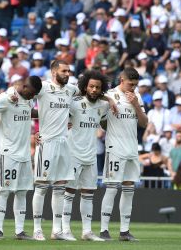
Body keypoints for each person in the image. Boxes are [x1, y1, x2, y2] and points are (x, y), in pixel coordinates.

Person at [30, 60, 80, 241]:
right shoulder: (42, 87)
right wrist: (32, 131)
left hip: (63, 143)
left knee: (60, 188)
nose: (68, 74)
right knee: (42, 187)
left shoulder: (71, 90)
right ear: (53, 72)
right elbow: (22, 98)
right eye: (64, 71)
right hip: (47, 142)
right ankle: (37, 229)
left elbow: (92, 93)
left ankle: (57, 230)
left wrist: (111, 99)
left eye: (69, 71)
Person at [0, 76, 42, 240]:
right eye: (31, 93)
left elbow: (28, 112)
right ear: (25, 87)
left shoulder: (27, 99)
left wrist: (46, 115)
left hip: (25, 153)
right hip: (8, 152)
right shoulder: (7, 97)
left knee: (22, 192)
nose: (32, 97)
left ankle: (19, 231)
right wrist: (3, 126)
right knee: (4, 191)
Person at [100, 67, 148, 241]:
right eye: (130, 84)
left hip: (132, 149)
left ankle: (124, 231)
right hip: (115, 148)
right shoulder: (109, 95)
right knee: (112, 188)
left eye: (135, 85)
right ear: (122, 79)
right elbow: (101, 119)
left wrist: (135, 104)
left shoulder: (137, 97)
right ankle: (104, 230)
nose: (133, 88)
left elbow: (144, 123)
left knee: (129, 190)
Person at [61, 71, 110, 241]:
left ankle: (87, 231)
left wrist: (110, 101)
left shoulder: (103, 107)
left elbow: (105, 122)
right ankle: (65, 229)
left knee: (88, 193)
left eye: (97, 87)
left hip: (91, 155)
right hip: (73, 154)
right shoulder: (74, 104)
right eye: (91, 86)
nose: (94, 89)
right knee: (69, 192)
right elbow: (58, 119)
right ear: (85, 87)